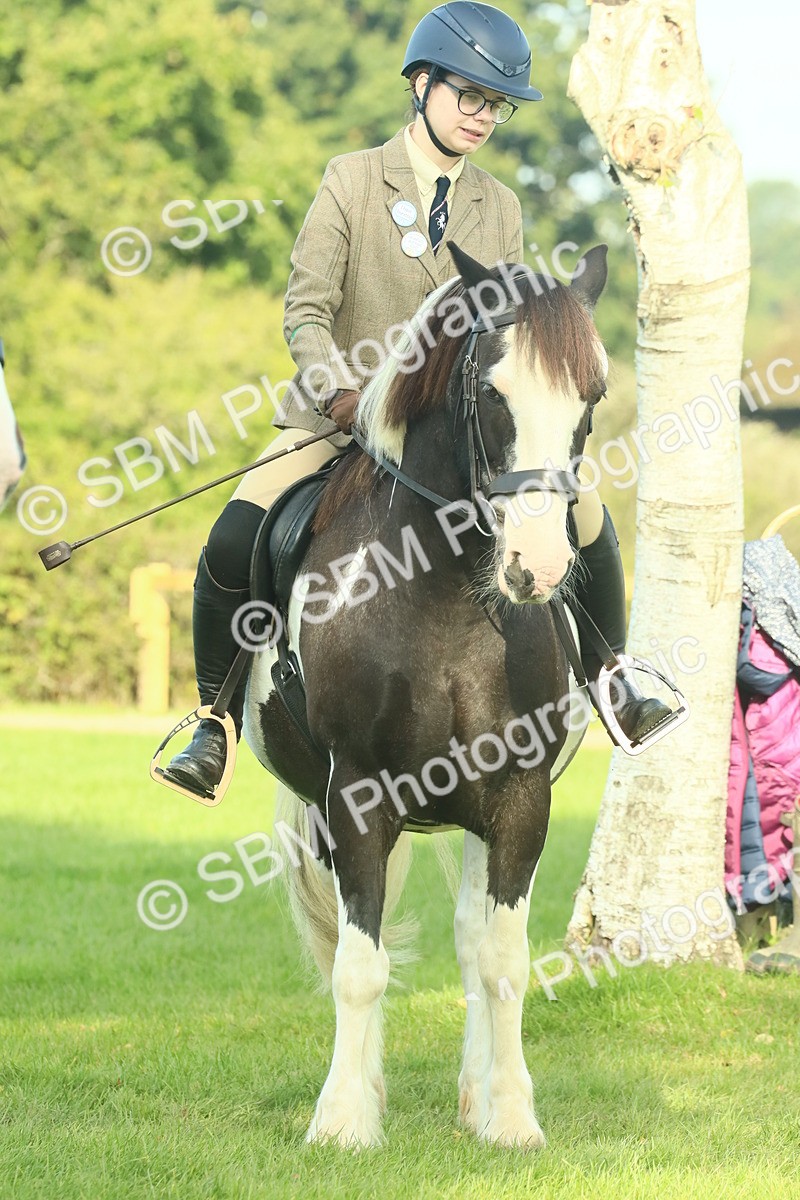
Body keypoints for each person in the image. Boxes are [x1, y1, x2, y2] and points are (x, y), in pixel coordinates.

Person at [162, 1, 673, 800]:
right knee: (234, 534)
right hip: (339, 421)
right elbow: (305, 310)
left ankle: (614, 676)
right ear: (421, 83)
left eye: (496, 105)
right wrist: (337, 390)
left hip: (457, 433)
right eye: (469, 96)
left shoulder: (499, 206)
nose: (483, 117)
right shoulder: (351, 179)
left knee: (586, 514)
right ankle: (212, 720)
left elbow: (509, 325)